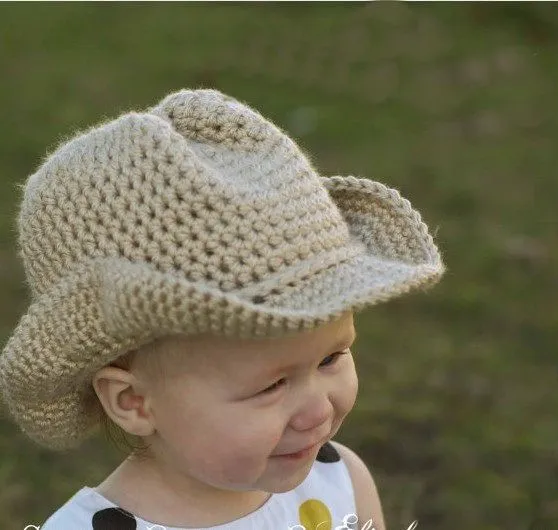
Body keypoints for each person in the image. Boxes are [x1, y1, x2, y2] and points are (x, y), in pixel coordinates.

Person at [0, 89, 444, 530]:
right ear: (132, 401)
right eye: (271, 386)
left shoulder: (340, 484)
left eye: (331, 358)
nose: (318, 412)